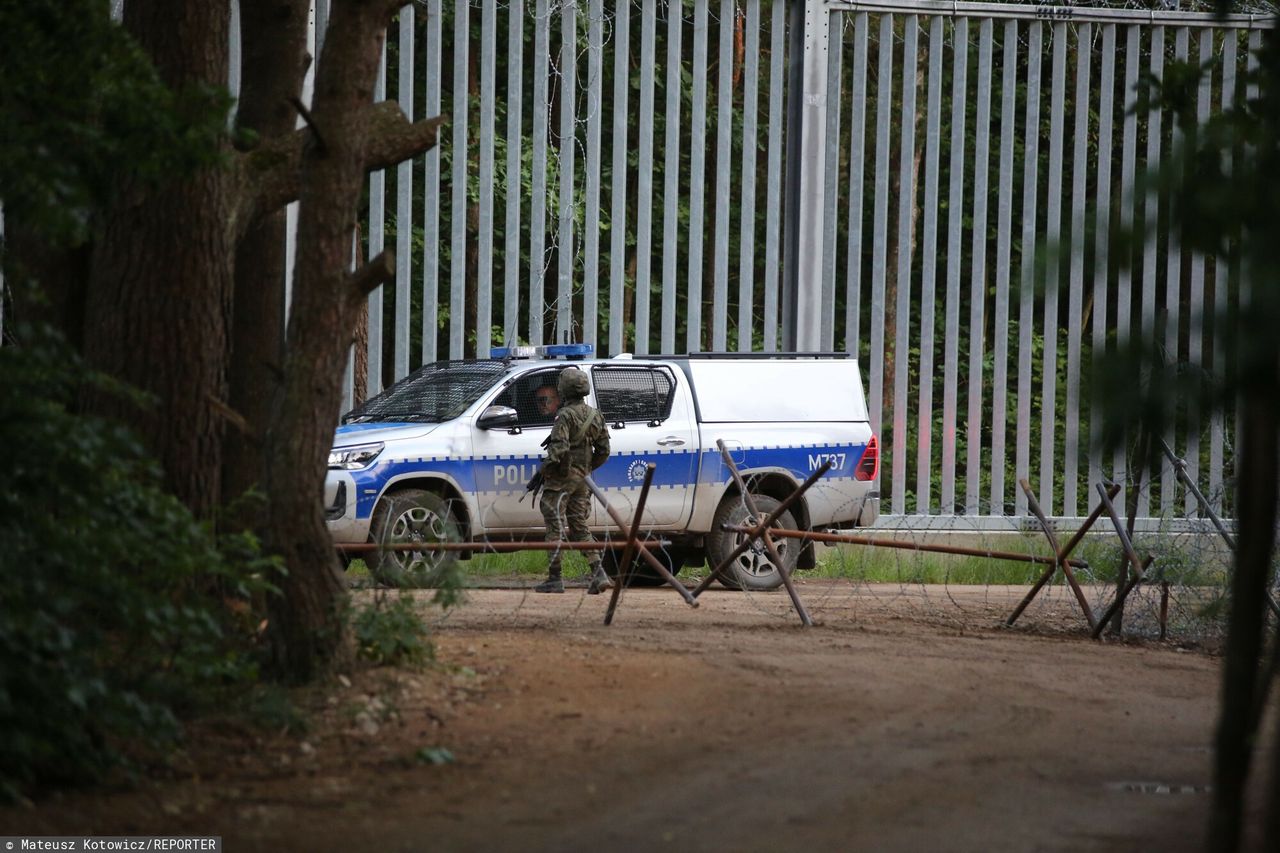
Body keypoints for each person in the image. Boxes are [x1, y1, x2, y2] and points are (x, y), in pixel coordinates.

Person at [534, 367, 612, 594]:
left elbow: (559, 448)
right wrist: (585, 469)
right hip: (581, 481)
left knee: (554, 526)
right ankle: (599, 573)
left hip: (560, 481)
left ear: (564, 390)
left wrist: (545, 470)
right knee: (579, 526)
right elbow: (604, 450)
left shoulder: (565, 415)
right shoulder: (595, 415)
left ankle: (555, 578)